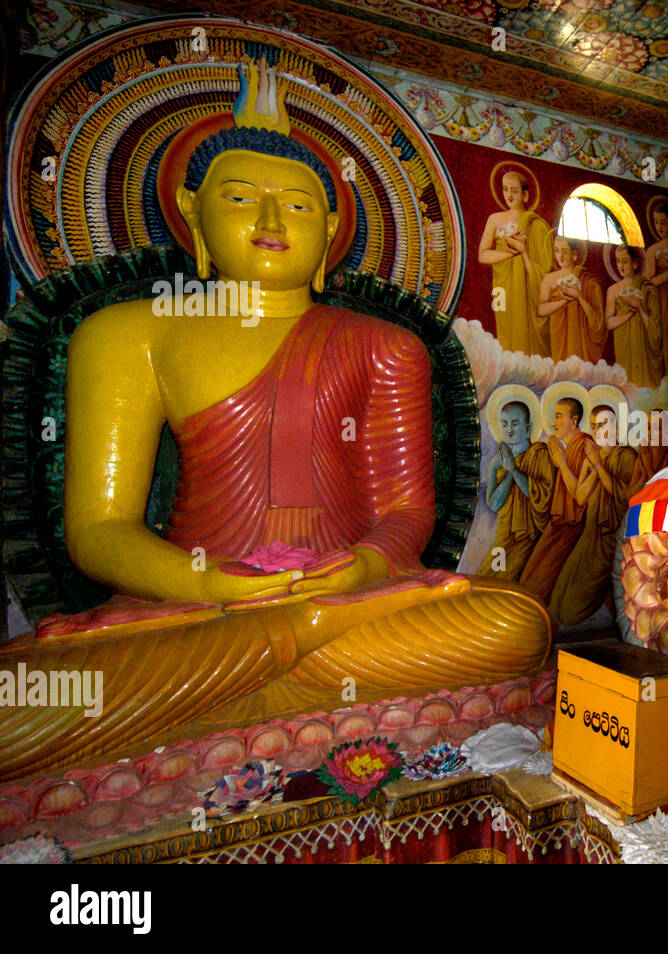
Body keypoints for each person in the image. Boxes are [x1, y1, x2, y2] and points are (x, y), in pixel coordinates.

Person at [0, 66, 552, 782]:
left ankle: (254, 679)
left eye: (295, 206)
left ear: (329, 231)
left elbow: (407, 512)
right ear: (193, 214)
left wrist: (358, 570)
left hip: (353, 604)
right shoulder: (129, 333)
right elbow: (98, 532)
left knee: (516, 622)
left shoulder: (386, 345)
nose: (267, 223)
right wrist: (211, 588)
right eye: (239, 200)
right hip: (193, 611)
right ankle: (283, 665)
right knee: (21, 697)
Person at [551, 403, 646, 624]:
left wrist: (599, 466)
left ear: (615, 426)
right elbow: (581, 497)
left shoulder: (627, 456)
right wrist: (565, 464)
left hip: (611, 537)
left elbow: (625, 498)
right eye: (593, 426)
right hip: (590, 535)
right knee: (559, 597)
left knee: (570, 609)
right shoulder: (592, 455)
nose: (597, 431)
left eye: (602, 425)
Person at [519, 397, 598, 607]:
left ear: (574, 420)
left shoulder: (586, 446)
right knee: (529, 575)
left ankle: (536, 621)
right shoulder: (566, 446)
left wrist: (561, 463)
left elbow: (579, 496)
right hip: (558, 521)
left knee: (541, 580)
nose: (553, 422)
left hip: (573, 524)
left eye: (558, 416)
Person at [477, 166, 552, 356]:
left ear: (525, 195)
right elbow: (483, 255)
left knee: (526, 326)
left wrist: (523, 252)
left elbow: (544, 268)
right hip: (501, 285)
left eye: (514, 190)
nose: (509, 194)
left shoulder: (536, 224)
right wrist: (511, 254)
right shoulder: (494, 219)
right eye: (505, 189)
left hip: (527, 286)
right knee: (504, 322)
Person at [478, 400, 553, 581]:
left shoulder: (540, 454)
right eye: (504, 424)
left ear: (528, 428)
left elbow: (542, 498)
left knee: (507, 582)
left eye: (515, 423)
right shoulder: (499, 461)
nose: (509, 429)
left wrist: (514, 469)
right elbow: (494, 504)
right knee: (485, 578)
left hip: (527, 537)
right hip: (504, 537)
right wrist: (506, 471)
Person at [537, 235, 605, 364]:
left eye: (564, 251)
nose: (560, 256)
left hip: (579, 336)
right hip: (558, 333)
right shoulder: (549, 279)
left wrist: (578, 296)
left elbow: (598, 319)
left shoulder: (587, 279)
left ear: (574, 255)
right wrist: (564, 300)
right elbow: (541, 310)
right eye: (557, 250)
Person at [605, 245, 664, 388]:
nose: (621, 266)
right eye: (618, 261)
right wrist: (630, 313)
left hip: (644, 348)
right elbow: (609, 323)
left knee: (645, 389)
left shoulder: (646, 288)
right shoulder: (613, 290)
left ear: (635, 263)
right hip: (623, 346)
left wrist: (639, 308)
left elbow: (655, 328)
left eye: (624, 261)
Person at [643, 199, 668, 374]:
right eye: (656, 222)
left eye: (662, 222)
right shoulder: (653, 251)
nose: (659, 227)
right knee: (667, 338)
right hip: (663, 302)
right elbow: (647, 284)